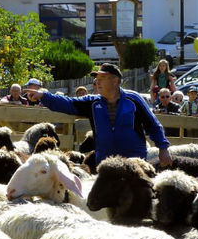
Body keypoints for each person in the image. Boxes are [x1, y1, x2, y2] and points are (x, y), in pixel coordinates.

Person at [26, 62, 172, 167]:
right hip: (104, 164)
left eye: (102, 78)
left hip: (134, 162)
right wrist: (43, 96)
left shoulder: (133, 99)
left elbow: (153, 125)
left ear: (115, 81)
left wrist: (163, 148)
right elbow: (68, 103)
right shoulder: (92, 103)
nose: (97, 82)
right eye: (97, 79)